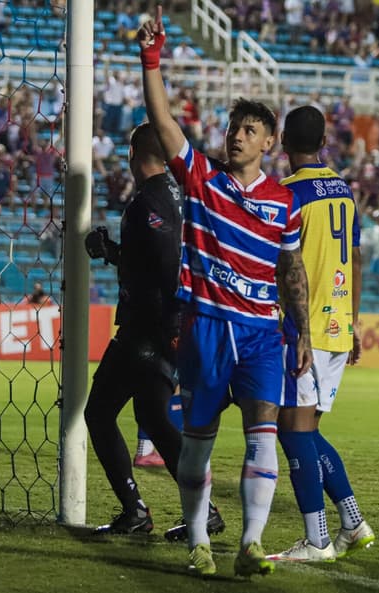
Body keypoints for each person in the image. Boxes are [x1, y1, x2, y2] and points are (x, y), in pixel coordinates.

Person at [137, 8, 313, 578]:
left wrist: (302, 332)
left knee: (264, 430)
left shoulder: (285, 204)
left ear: (268, 142)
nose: (237, 135)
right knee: (198, 442)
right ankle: (198, 541)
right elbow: (163, 123)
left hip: (262, 333)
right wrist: (152, 58)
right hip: (207, 328)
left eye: (249, 130)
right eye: (234, 127)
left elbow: (291, 269)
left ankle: (251, 544)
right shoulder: (202, 179)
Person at [82, 123, 225, 539]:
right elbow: (155, 260)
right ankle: (204, 511)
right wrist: (113, 253)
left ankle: (135, 511)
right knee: (153, 417)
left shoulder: (149, 200)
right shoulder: (179, 193)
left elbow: (166, 264)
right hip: (165, 324)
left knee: (99, 413)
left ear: (133, 153)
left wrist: (171, 327)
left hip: (149, 327)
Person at [266, 105, 375, 564]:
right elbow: (355, 259)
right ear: (324, 143)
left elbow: (282, 264)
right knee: (306, 431)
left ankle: (317, 540)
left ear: (282, 142)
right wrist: (354, 322)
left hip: (302, 329)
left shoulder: (287, 194)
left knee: (293, 433)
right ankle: (353, 522)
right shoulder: (344, 192)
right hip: (337, 326)